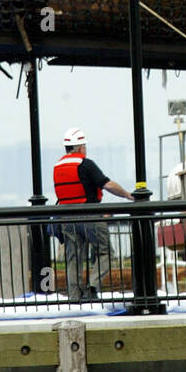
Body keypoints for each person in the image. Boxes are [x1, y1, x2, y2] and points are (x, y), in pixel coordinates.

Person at [52, 128, 133, 304]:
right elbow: (107, 185)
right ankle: (93, 286)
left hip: (66, 217)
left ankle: (74, 297)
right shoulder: (86, 164)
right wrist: (127, 195)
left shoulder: (57, 167)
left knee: (73, 257)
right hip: (89, 215)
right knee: (106, 252)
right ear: (80, 146)